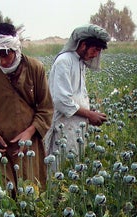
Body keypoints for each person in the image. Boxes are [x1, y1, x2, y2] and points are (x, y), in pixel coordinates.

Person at [0, 23, 53, 189]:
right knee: (2, 199)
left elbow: (46, 108)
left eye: (5, 55)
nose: (1, 61)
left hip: (27, 148)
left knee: (31, 195)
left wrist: (29, 132)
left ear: (15, 48)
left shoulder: (35, 68)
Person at [44, 24, 110, 169]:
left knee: (74, 165)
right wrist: (89, 114)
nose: (95, 54)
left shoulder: (79, 62)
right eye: (95, 49)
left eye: (99, 51)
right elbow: (62, 100)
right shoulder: (64, 61)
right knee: (60, 166)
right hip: (64, 125)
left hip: (76, 124)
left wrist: (89, 116)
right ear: (83, 44)